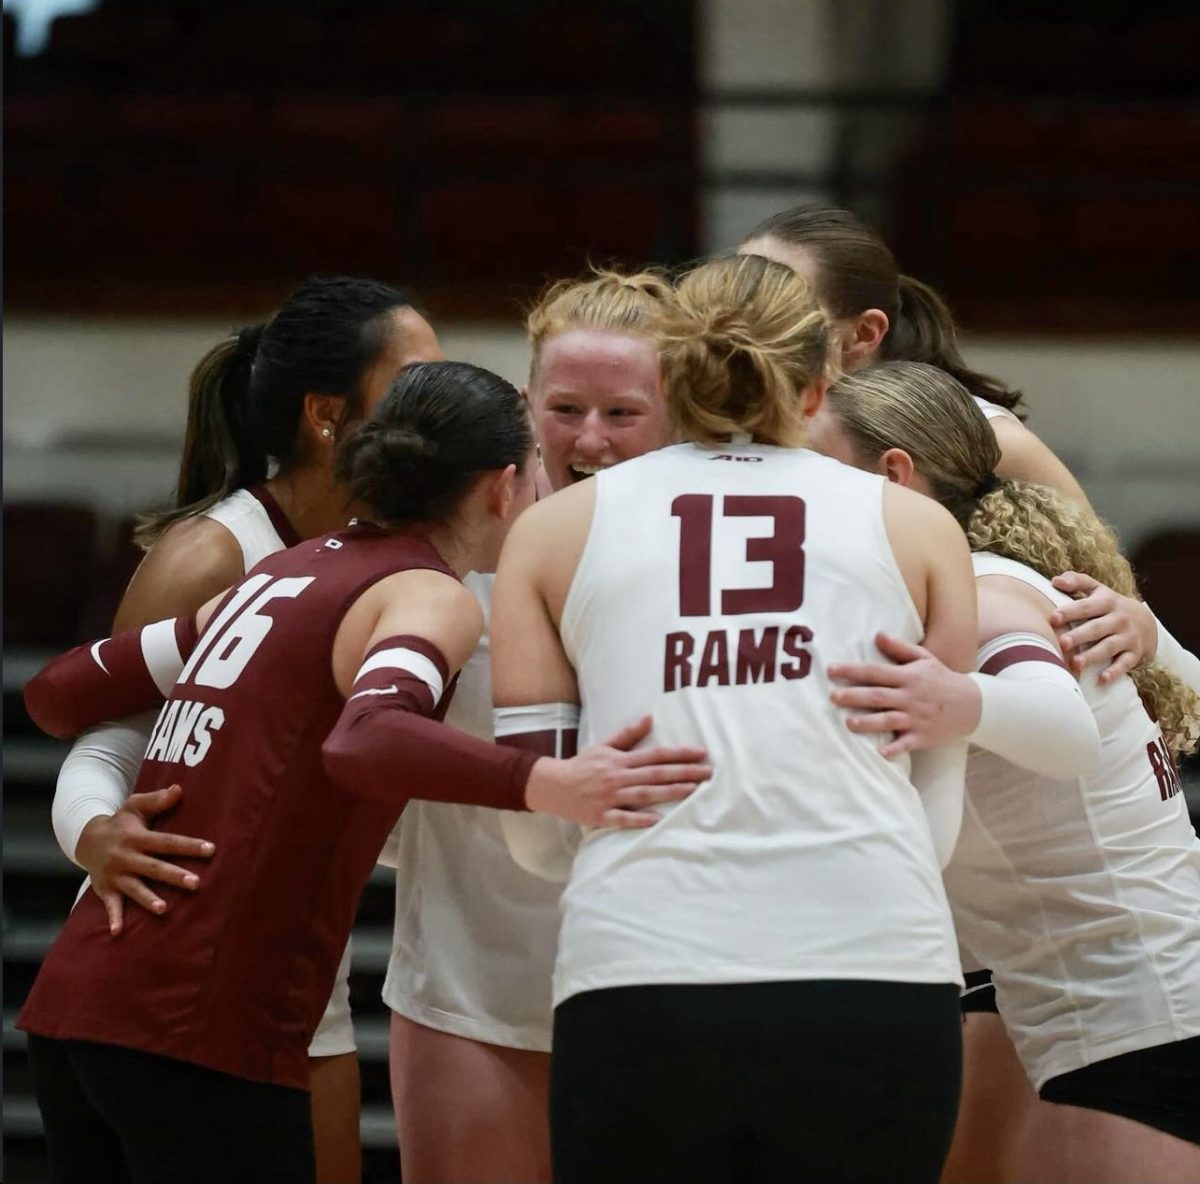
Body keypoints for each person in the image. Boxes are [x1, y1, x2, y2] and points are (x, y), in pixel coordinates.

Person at [19, 361, 712, 1184]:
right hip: (202, 1022)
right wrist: (544, 782)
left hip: (79, 1006)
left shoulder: (278, 572)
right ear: (501, 486)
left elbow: (56, 695)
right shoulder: (429, 592)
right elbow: (366, 739)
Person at [489, 255, 978, 1184]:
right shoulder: (917, 526)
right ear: (825, 379)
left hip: (639, 971)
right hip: (877, 969)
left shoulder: (552, 532)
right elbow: (938, 821)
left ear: (666, 373)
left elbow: (536, 831)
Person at [739, 204, 1200, 1178]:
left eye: (783, 301)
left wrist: (1147, 631)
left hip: (1118, 997)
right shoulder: (879, 541)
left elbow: (1082, 676)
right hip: (1056, 972)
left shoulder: (990, 575)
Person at [47, 274, 443, 1183]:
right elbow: (110, 740)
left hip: (298, 966)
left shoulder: (408, 545)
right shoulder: (213, 552)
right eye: (415, 379)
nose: (439, 398)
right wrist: (92, 835)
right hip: (161, 962)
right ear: (326, 415)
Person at [385, 268, 675, 1184]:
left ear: (681, 408)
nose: (590, 438)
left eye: (623, 413)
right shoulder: (451, 553)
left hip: (661, 987)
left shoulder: (715, 564)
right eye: (566, 407)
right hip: (470, 988)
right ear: (525, 402)